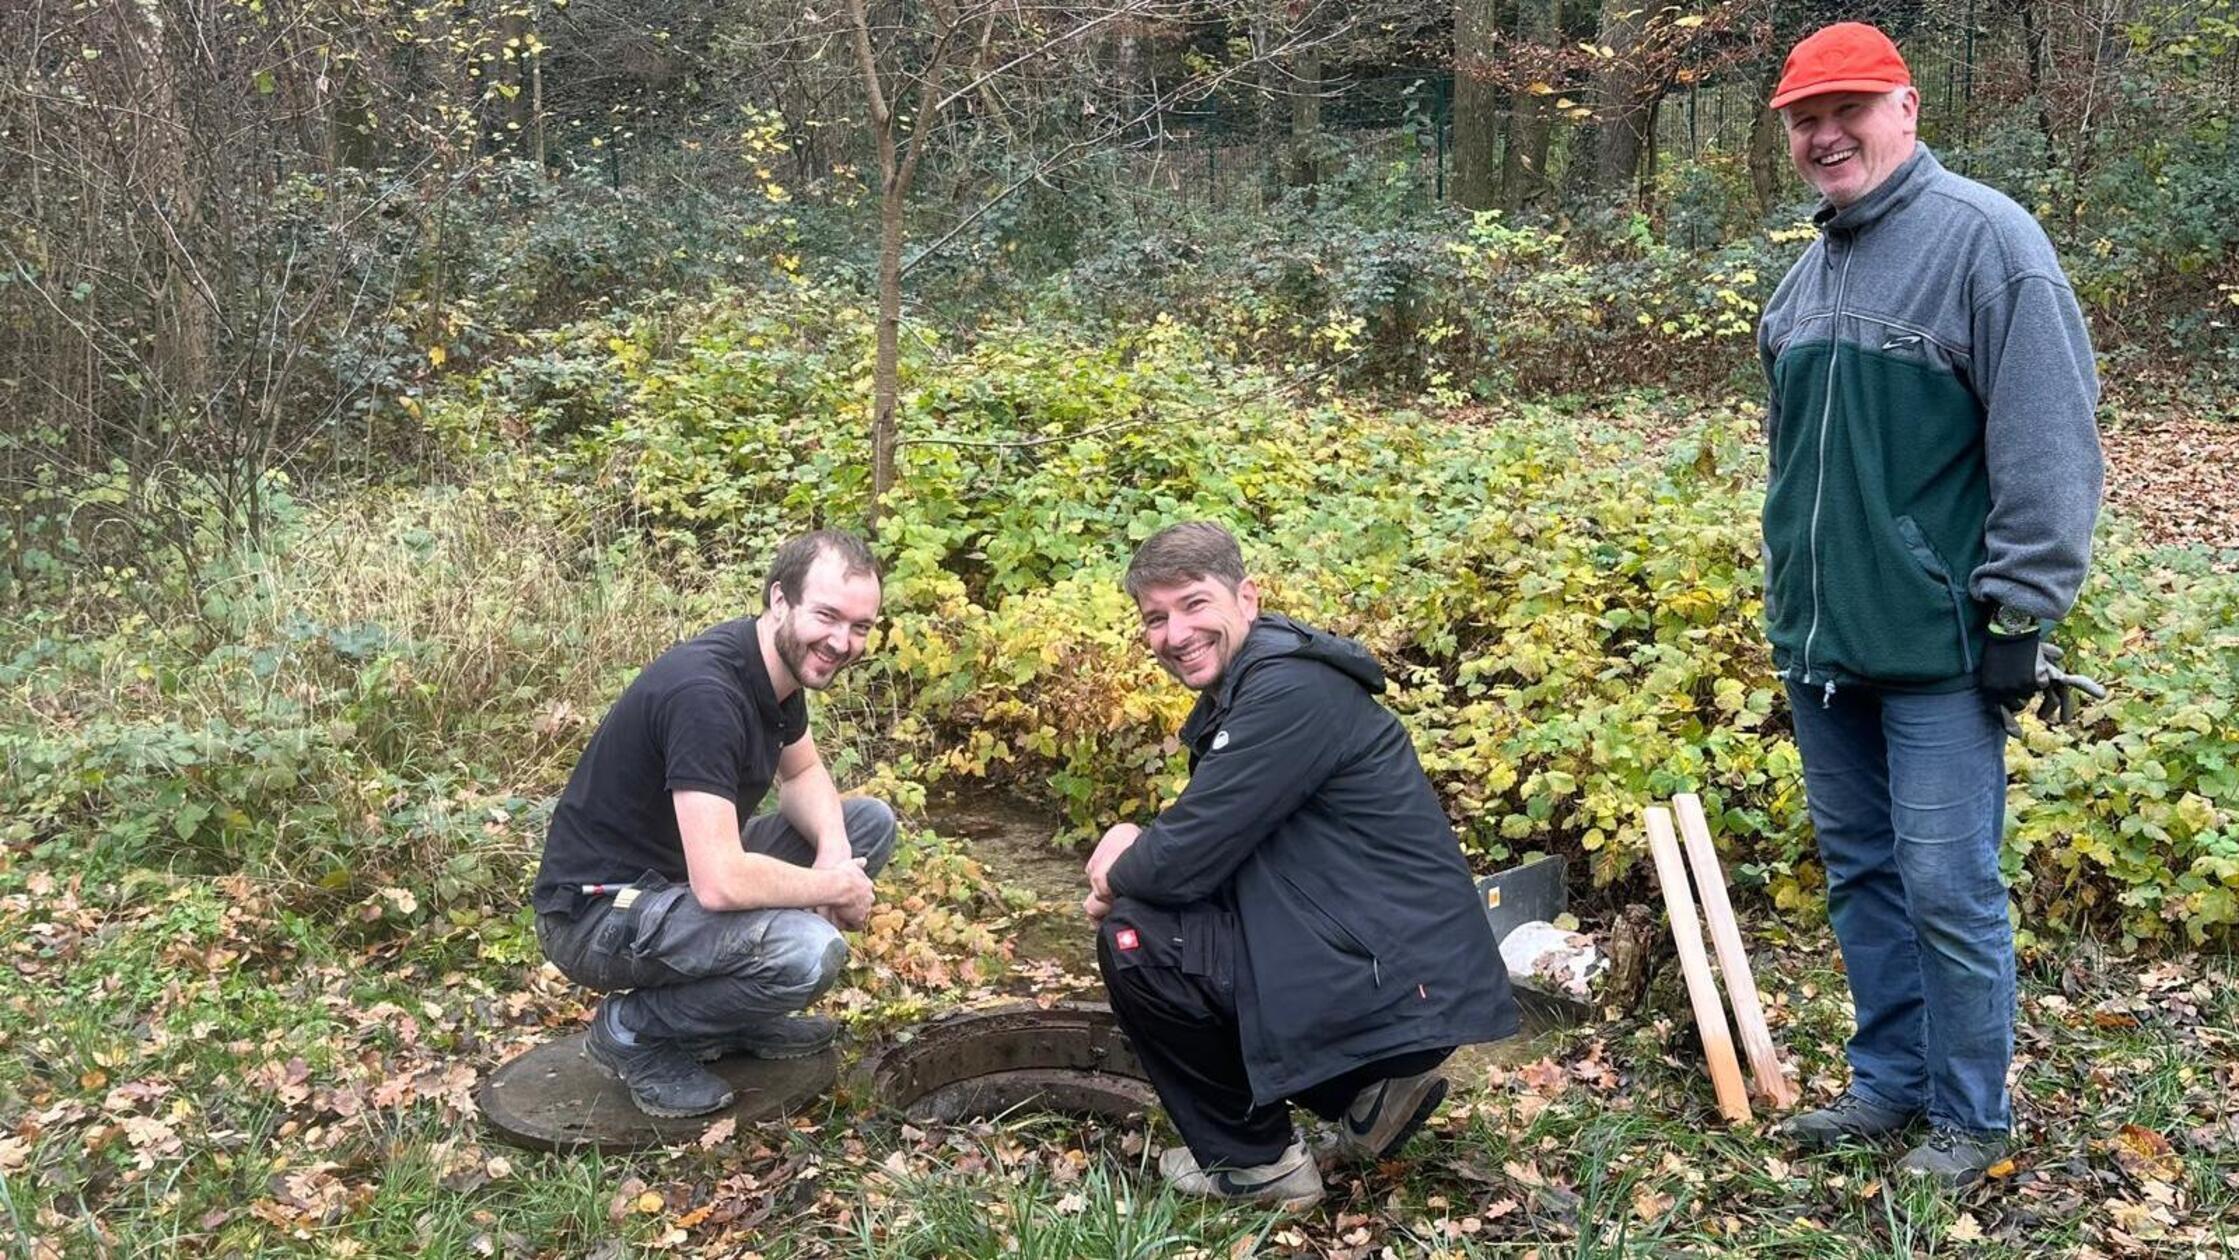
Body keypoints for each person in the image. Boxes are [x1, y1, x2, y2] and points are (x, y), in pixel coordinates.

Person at [1756, 23, 2105, 1186]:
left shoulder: (1987, 245)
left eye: (1846, 109)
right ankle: (1888, 1086)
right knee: (1861, 876)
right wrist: (1792, 615)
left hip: (1943, 650)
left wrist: (2019, 617)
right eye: (1805, 118)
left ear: (1904, 109)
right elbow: (1798, 473)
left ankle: (1967, 1117)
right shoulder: (1805, 279)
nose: (1824, 134)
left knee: (1950, 886)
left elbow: (2051, 448)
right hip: (1824, 649)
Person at [1083, 522, 1519, 1211]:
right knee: (1176, 922)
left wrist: (1115, 863)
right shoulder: (1261, 683)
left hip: (1398, 985)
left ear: (1246, 598)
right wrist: (1140, 845)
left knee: (1137, 938)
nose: (1174, 633)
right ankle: (1364, 1096)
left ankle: (1258, 1166)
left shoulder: (1291, 692)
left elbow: (1176, 863)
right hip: (1386, 970)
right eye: (1155, 618)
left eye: (1194, 604)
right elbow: (1207, 844)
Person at [531, 529, 896, 1118]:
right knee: (806, 952)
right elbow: (722, 881)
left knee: (867, 825)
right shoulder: (707, 694)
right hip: (597, 913)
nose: (841, 641)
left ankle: (732, 1017)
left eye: (860, 627)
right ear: (780, 600)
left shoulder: (775, 669)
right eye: (827, 616)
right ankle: (633, 1030)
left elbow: (801, 775)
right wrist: (836, 886)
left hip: (675, 879)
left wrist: (834, 853)